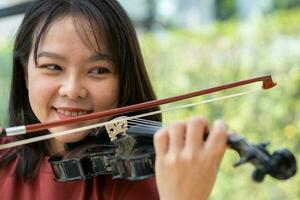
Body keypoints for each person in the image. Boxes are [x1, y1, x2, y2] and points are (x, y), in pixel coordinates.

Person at [0, 0, 228, 199]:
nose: (72, 90)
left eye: (98, 70)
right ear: (26, 72)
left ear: (123, 80)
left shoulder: (133, 184)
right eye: (52, 66)